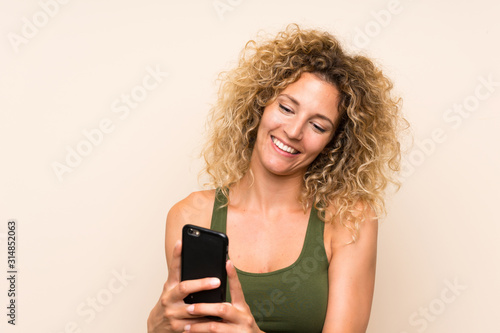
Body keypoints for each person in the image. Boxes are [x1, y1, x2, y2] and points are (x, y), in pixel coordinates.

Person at [147, 24, 405, 333]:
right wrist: (158, 325)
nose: (294, 132)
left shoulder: (350, 220)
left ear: (333, 142)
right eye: (286, 108)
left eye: (318, 126)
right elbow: (180, 323)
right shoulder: (190, 215)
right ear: (260, 103)